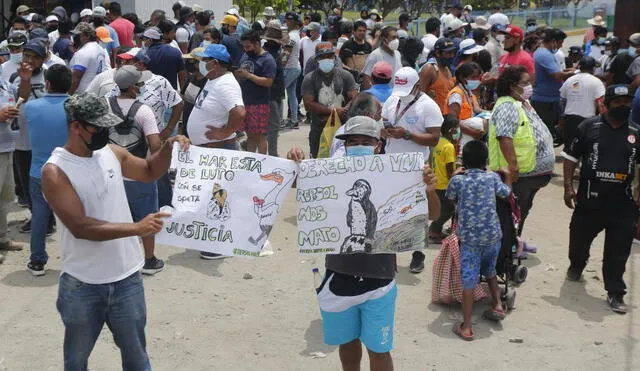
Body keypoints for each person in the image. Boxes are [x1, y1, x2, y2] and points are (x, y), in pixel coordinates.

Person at [42, 92, 189, 369]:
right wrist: (137, 228)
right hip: (83, 285)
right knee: (76, 361)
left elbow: (147, 171)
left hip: (127, 280)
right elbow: (80, 226)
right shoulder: (56, 171)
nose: (105, 131)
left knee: (137, 359)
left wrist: (168, 148)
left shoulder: (111, 152)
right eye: (98, 126)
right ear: (76, 127)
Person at [286, 115, 440, 371]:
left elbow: (432, 215)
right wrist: (295, 161)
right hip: (338, 274)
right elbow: (300, 185)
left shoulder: (397, 172)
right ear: (344, 145)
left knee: (379, 350)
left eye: (365, 140)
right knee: (347, 343)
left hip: (379, 279)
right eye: (352, 141)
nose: (358, 145)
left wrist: (429, 189)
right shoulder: (332, 171)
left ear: (378, 144)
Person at [562, 84, 638, 314]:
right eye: (619, 102)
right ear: (606, 104)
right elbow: (570, 157)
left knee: (618, 250)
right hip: (590, 200)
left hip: (623, 204)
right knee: (579, 242)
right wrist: (567, 187)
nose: (624, 106)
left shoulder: (636, 131)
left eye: (627, 102)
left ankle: (616, 292)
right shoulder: (588, 127)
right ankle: (576, 265)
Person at [447, 140, 512, 341]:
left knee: (468, 281)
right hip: (493, 237)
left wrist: (453, 176)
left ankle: (466, 327)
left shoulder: (459, 181)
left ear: (463, 162)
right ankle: (498, 305)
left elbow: (450, 197)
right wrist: (508, 176)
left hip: (470, 241)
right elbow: (507, 194)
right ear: (486, 161)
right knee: (490, 270)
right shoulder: (492, 178)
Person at [382, 67, 442, 272]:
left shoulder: (429, 106)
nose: (403, 96)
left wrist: (407, 135)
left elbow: (434, 138)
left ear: (417, 86)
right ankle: (389, 253)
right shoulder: (392, 100)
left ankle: (417, 254)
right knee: (389, 209)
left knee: (417, 211)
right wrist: (385, 133)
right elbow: (381, 126)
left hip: (416, 167)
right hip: (390, 164)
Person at [188, 44, 245, 260]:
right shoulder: (214, 80)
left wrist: (225, 132)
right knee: (213, 196)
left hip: (218, 149)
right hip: (208, 150)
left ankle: (218, 245)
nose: (200, 64)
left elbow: (239, 112)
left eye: (204, 61)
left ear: (215, 63)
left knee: (219, 197)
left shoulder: (226, 84)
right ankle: (214, 238)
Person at [489, 66, 554, 237]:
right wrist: (513, 166)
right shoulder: (507, 106)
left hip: (531, 174)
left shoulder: (521, 102)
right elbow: (504, 136)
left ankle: (515, 243)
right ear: (512, 85)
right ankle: (507, 251)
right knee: (512, 213)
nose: (529, 87)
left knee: (521, 211)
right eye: (525, 83)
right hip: (519, 175)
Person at [23, 64, 70, 275]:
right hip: (70, 171)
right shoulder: (75, 107)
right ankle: (75, 260)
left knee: (40, 217)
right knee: (73, 216)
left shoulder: (32, 107)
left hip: (39, 171)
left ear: (47, 84)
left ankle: (37, 260)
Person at [13, 40, 50, 234]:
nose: (29, 60)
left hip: (45, 140)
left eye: (35, 57)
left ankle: (47, 220)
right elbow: (18, 100)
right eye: (27, 55)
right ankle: (37, 216)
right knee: (27, 183)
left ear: (43, 59)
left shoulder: (50, 75)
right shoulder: (15, 77)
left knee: (47, 182)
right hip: (21, 140)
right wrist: (24, 80)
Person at [302, 42, 358, 158]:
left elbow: (354, 97)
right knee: (317, 161)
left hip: (344, 130)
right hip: (319, 129)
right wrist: (333, 111)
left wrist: (345, 110)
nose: (326, 59)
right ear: (317, 60)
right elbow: (308, 104)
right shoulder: (309, 78)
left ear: (334, 57)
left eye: (329, 56)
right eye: (322, 57)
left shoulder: (346, 76)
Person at [236, 30, 276, 154]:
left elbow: (269, 82)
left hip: (259, 103)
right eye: (244, 46)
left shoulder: (267, 59)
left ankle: (263, 162)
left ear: (257, 44)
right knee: (250, 136)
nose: (245, 49)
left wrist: (249, 76)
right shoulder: (246, 55)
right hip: (245, 102)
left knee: (260, 136)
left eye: (248, 46)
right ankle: (251, 161)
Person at [531, 28, 572, 143]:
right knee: (545, 133)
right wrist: (575, 74)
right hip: (545, 102)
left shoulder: (544, 53)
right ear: (553, 41)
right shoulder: (545, 55)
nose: (560, 46)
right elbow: (558, 76)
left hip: (547, 99)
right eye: (560, 42)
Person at [0, 70, 23, 260]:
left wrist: (25, 78)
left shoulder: (4, 82)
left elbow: (20, 95)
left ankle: (2, 238)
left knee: (6, 196)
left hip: (7, 145)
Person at [559, 56, 605, 148]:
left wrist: (561, 121)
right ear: (593, 68)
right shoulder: (597, 82)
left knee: (569, 151)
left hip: (570, 120)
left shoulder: (569, 80)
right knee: (587, 151)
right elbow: (601, 104)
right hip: (587, 122)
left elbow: (562, 101)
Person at [429, 114, 459, 243]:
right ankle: (434, 229)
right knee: (449, 209)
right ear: (451, 130)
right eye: (457, 129)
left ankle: (438, 228)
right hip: (445, 184)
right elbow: (449, 169)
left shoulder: (438, 143)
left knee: (442, 208)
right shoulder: (449, 147)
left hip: (436, 182)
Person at [446, 62, 487, 146]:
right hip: (459, 135)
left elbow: (476, 109)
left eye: (477, 77)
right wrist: (473, 133)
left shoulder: (469, 92)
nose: (476, 80)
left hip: (468, 133)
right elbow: (453, 122)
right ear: (462, 78)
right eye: (473, 77)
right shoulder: (456, 95)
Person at [262, 25, 286, 157]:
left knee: (266, 126)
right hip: (271, 96)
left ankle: (249, 142)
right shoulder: (271, 56)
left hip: (271, 95)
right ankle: (273, 154)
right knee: (273, 126)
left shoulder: (268, 53)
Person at [69, 23, 108, 94]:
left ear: (86, 36)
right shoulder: (100, 49)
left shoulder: (83, 52)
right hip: (97, 93)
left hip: (84, 96)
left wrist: (67, 97)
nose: (74, 38)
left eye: (78, 35)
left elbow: (76, 79)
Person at [419, 38, 456, 113]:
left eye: (453, 52)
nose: (452, 56)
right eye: (448, 53)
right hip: (431, 116)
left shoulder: (448, 68)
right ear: (438, 53)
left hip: (446, 116)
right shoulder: (429, 69)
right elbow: (419, 95)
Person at [143, 26, 186, 90]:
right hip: (172, 93)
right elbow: (182, 76)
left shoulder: (145, 55)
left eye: (144, 39)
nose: (143, 41)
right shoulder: (175, 52)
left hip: (152, 93)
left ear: (150, 40)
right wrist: (182, 92)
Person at [283, 12, 302, 128]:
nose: (287, 21)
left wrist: (280, 65)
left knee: (278, 93)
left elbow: (286, 53)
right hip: (293, 67)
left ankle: (279, 120)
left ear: (295, 21)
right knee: (291, 94)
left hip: (290, 68)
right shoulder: (293, 34)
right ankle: (294, 120)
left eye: (290, 19)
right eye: (286, 19)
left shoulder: (293, 36)